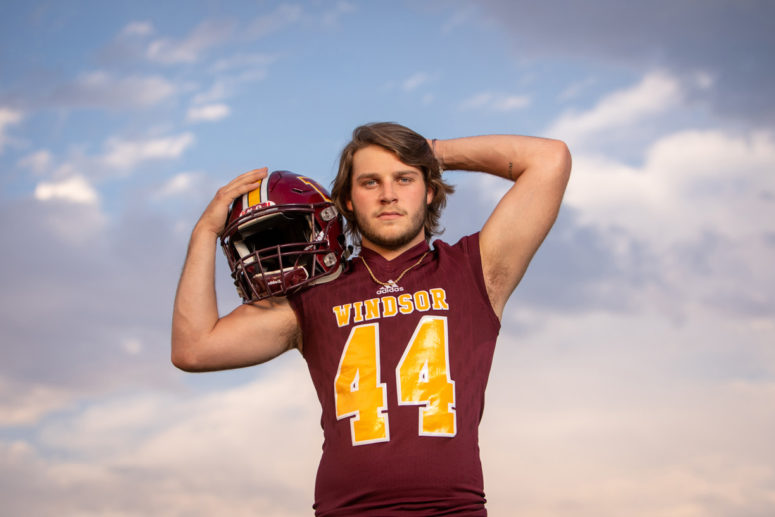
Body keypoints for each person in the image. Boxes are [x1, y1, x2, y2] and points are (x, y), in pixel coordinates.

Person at [171, 122, 571, 515]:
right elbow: (194, 348)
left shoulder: (474, 271)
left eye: (404, 178)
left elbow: (549, 158)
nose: (388, 195)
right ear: (345, 200)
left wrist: (431, 151)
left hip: (451, 510)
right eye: (370, 182)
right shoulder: (315, 293)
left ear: (429, 190)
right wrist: (205, 232)